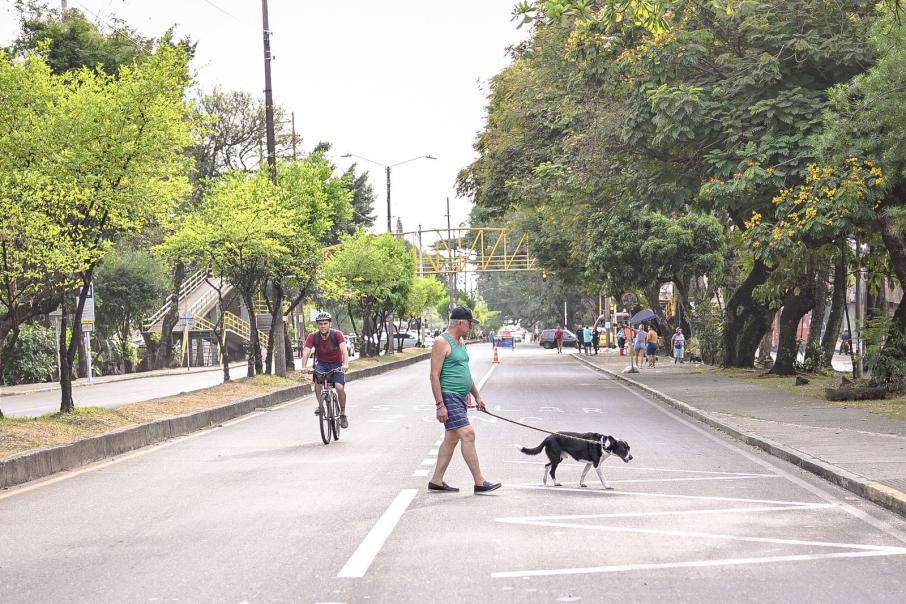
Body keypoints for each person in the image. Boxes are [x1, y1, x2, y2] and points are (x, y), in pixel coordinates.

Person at [429, 306, 501, 494]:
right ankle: (479, 482)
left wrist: (477, 395)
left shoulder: (460, 343)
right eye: (469, 323)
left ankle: (436, 480)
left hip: (461, 397)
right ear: (460, 323)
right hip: (449, 396)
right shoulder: (441, 342)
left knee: (452, 438)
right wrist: (440, 405)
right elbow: (434, 376)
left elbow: (465, 374)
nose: (471, 327)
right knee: (468, 434)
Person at [300, 312, 350, 428]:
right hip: (322, 364)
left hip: (337, 364)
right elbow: (306, 351)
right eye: (321, 324)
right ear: (318, 325)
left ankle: (342, 413)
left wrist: (346, 363)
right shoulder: (313, 336)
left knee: (339, 387)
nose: (323, 326)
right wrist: (303, 366)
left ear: (329, 324)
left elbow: (344, 350)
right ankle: (320, 405)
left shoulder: (337, 334)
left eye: (325, 323)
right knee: (317, 382)